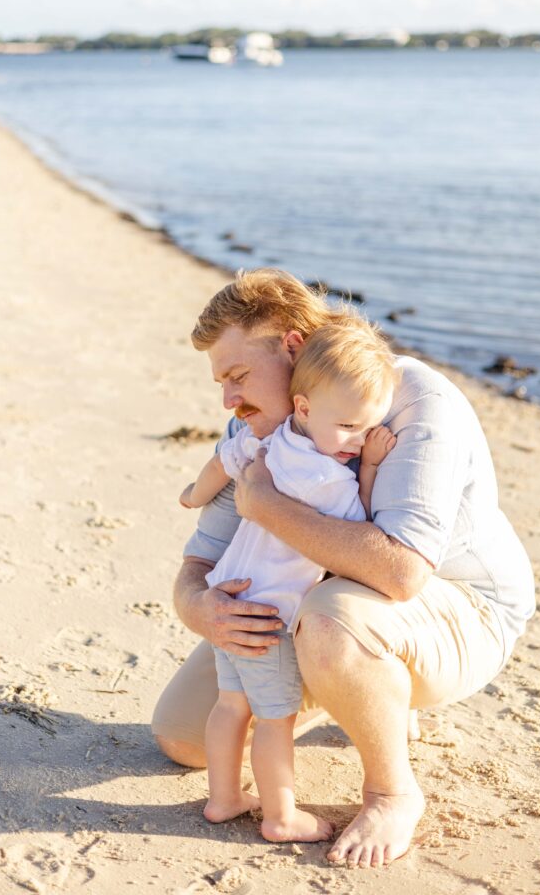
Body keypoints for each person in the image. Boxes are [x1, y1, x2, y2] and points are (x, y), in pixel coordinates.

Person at [152, 268, 535, 869]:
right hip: (306, 608)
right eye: (223, 382)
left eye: (238, 375)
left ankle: (392, 791)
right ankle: (356, 690)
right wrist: (202, 608)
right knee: (183, 737)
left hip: (461, 609)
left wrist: (268, 506)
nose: (229, 399)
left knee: (332, 620)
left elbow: (403, 574)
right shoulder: (256, 422)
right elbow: (198, 561)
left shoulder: (411, 401)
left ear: (294, 344)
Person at [179, 321, 397, 842]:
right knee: (274, 721)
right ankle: (281, 816)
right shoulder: (330, 478)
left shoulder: (269, 442)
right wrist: (369, 467)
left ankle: (224, 798)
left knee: (230, 706)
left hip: (229, 595)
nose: (356, 440)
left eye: (366, 430)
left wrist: (191, 495)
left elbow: (219, 463)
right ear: (303, 408)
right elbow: (362, 526)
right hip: (269, 615)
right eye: (347, 427)